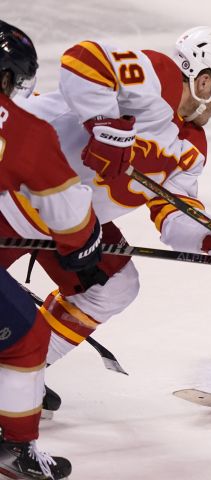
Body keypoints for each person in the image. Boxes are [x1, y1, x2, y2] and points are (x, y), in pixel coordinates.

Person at [0, 26, 211, 413]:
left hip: (71, 221)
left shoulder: (191, 147)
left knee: (116, 284)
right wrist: (103, 123)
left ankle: (18, 374)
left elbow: (174, 215)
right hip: (16, 186)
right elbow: (83, 59)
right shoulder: (158, 77)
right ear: (204, 80)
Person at [0, 20, 103, 479]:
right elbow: (70, 221)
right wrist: (83, 244)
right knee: (27, 337)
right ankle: (14, 451)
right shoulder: (27, 130)